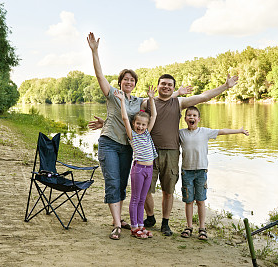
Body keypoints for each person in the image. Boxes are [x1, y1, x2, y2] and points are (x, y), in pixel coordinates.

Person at [87, 32, 189, 240]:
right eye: (125, 79)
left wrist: (177, 92)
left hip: (126, 146)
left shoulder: (137, 102)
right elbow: (99, 76)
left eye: (132, 80)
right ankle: (117, 224)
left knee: (122, 184)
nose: (128, 82)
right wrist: (95, 52)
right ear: (120, 81)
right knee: (113, 182)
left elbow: (157, 102)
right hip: (109, 144)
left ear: (135, 84)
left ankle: (120, 219)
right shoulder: (113, 95)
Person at [142, 73, 239, 236]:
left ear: (173, 88)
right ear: (157, 85)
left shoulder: (178, 102)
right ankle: (150, 217)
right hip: (149, 152)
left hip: (171, 153)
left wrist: (225, 86)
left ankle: (165, 223)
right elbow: (131, 115)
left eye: (169, 85)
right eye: (163, 84)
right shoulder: (147, 102)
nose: (166, 87)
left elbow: (203, 97)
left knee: (168, 191)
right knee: (145, 189)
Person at [179, 106, 249, 240]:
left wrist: (239, 131)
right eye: (189, 115)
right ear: (185, 119)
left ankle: (202, 227)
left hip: (201, 171)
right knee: (188, 200)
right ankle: (188, 226)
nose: (192, 118)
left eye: (194, 116)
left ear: (199, 119)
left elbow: (222, 131)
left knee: (200, 200)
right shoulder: (181, 133)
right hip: (186, 171)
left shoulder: (205, 132)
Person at [114, 87, 158, 239]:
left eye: (143, 125)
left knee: (142, 198)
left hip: (149, 169)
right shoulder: (133, 135)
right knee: (135, 198)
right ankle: (134, 228)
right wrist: (121, 101)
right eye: (138, 124)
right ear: (134, 124)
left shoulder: (147, 133)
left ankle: (140, 225)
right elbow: (125, 118)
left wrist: (151, 98)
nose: (140, 127)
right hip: (138, 169)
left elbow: (154, 116)